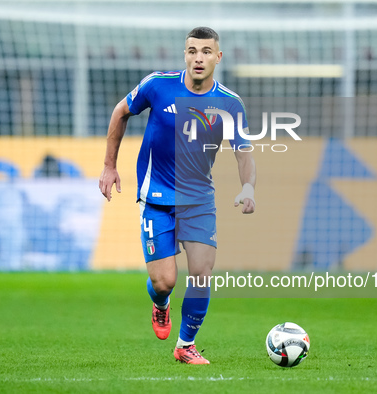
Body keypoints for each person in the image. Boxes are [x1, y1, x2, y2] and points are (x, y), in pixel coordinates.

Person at [99, 26, 256, 364]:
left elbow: (244, 152)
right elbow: (120, 112)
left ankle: (185, 345)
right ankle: (160, 303)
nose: (198, 58)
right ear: (185, 54)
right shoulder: (158, 85)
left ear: (218, 56)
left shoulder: (229, 103)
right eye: (192, 51)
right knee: (165, 282)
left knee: (201, 273)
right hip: (155, 198)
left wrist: (248, 186)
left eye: (206, 51)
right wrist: (110, 166)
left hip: (198, 200)